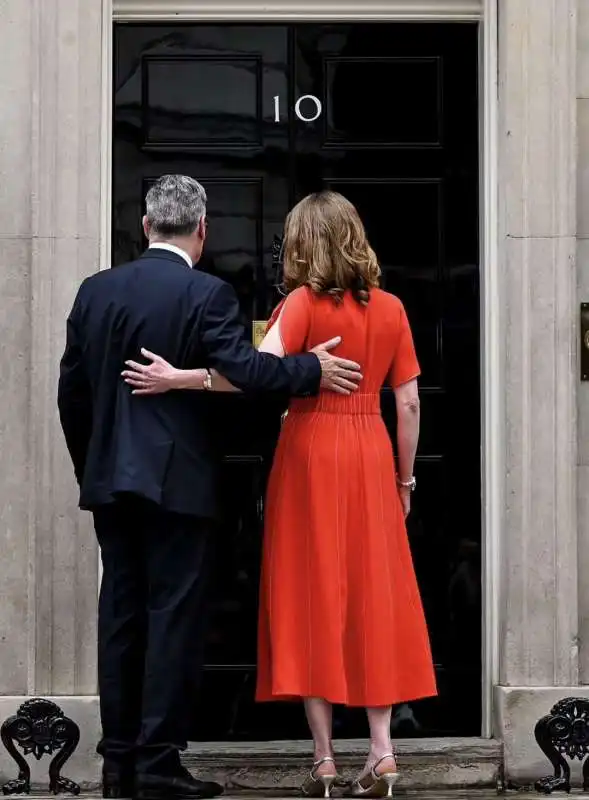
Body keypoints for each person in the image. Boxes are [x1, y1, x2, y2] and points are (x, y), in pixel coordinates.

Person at [122, 190, 437, 799]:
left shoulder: (298, 304)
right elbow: (411, 403)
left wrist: (178, 378)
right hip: (370, 450)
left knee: (311, 590)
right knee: (376, 591)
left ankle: (322, 759)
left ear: (302, 242)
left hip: (309, 451)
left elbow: (248, 374)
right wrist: (405, 480)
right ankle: (382, 751)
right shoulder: (394, 309)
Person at [57, 177, 363, 800]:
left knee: (120, 618)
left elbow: (73, 393)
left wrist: (93, 463)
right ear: (201, 232)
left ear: (146, 227)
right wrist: (311, 368)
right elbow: (244, 370)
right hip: (181, 487)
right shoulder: (206, 292)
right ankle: (158, 763)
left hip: (112, 484)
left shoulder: (96, 291)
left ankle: (118, 763)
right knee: (172, 621)